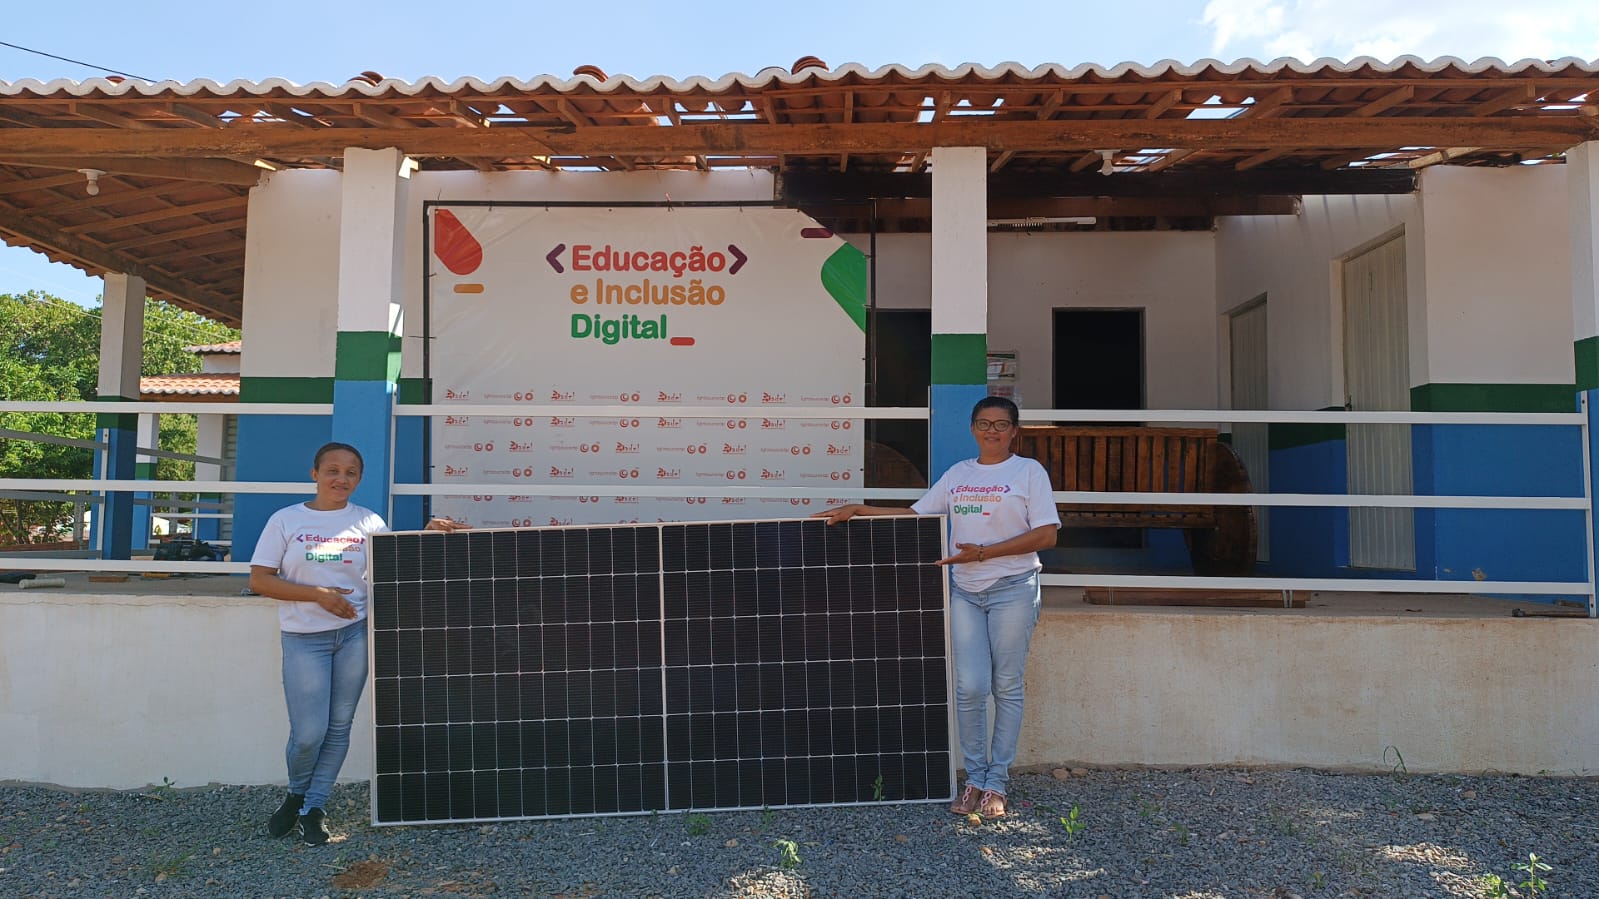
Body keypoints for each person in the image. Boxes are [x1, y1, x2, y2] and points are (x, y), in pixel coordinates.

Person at [815, 397, 1059, 821]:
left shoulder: (1028, 472)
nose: (992, 431)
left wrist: (984, 553)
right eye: (984, 423)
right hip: (965, 590)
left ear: (1014, 431)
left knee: (1006, 685)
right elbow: (915, 517)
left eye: (1002, 425)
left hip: (1014, 589)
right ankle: (974, 778)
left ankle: (996, 781)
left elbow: (1046, 535)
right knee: (969, 687)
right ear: (972, 428)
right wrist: (859, 509)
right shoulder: (958, 475)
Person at [248, 442, 467, 845]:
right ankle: (296, 795)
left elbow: (393, 560)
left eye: (351, 472)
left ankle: (315, 806)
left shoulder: (367, 521)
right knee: (309, 732)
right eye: (332, 470)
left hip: (354, 636)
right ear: (314, 474)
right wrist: (319, 594)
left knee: (338, 726)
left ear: (359, 479)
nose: (341, 479)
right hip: (304, 639)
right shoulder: (285, 520)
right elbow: (259, 579)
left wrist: (426, 534)